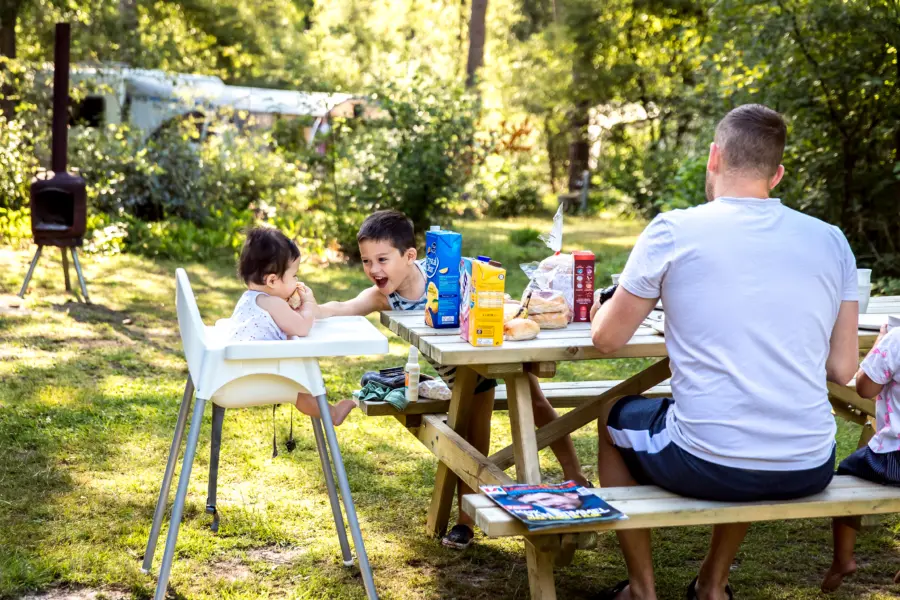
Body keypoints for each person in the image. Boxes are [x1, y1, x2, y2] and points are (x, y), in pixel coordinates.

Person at [588, 104, 860, 600]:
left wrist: (597, 307)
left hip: (708, 460)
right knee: (743, 422)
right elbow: (843, 369)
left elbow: (607, 339)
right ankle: (712, 585)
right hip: (809, 463)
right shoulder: (832, 241)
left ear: (714, 157)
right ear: (777, 174)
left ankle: (641, 590)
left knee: (612, 419)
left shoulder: (674, 229)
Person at [315, 209, 590, 549]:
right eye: (366, 261)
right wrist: (304, 308)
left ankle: (574, 474)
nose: (373, 269)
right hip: (456, 375)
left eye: (382, 259)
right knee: (468, 435)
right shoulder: (383, 296)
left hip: (490, 349)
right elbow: (340, 307)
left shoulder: (445, 268)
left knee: (533, 399)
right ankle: (466, 518)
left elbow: (492, 296)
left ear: (410, 255)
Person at [229, 226, 356, 425]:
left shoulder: (249, 300)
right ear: (272, 280)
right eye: (294, 276)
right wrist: (309, 303)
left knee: (303, 385)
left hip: (239, 371)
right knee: (300, 392)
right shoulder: (273, 303)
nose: (297, 280)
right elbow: (303, 327)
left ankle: (320, 398)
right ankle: (332, 414)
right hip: (258, 377)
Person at [822, 323, 900, 592]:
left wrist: (880, 344)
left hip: (893, 459)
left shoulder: (896, 340)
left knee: (847, 473)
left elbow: (865, 389)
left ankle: (842, 559)